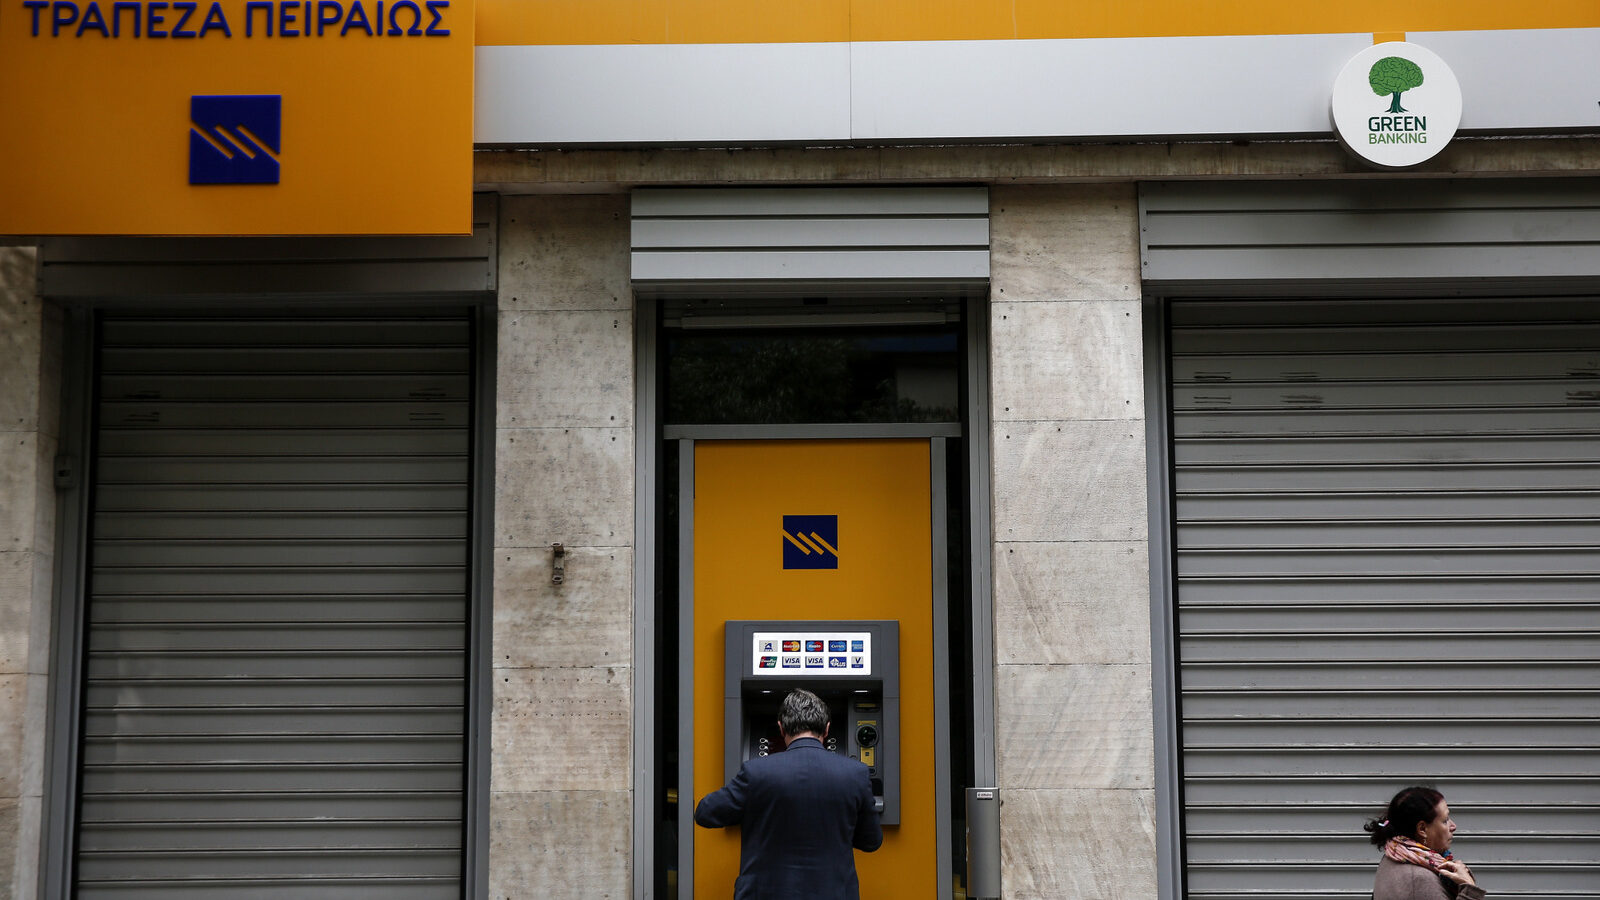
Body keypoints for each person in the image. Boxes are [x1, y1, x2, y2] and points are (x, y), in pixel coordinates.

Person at [694, 688, 883, 899]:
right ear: (827, 729)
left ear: (781, 728)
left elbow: (705, 813)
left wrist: (755, 809)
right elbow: (871, 841)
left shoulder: (756, 772)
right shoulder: (855, 774)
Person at [1365, 786, 1485, 900]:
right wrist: (1469, 889)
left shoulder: (1394, 854)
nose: (1453, 826)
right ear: (1422, 829)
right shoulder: (1421, 880)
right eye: (1445, 820)